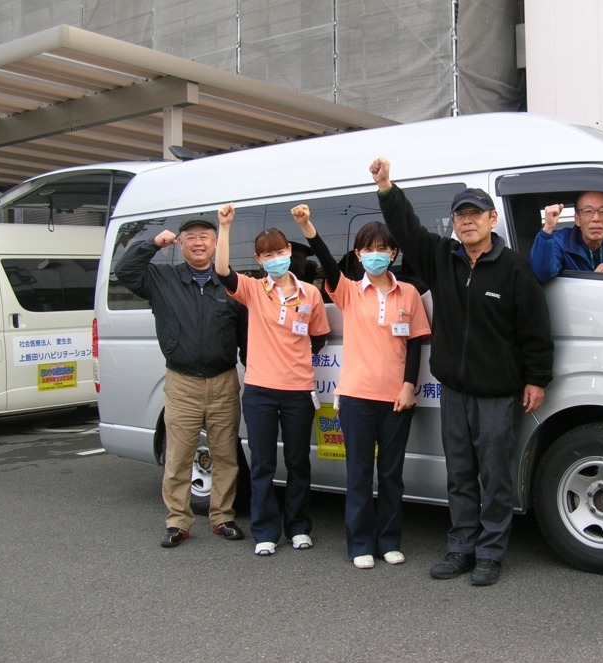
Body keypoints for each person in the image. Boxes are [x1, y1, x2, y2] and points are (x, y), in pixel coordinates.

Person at [369, 158, 554, 586]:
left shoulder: (514, 269)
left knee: (495, 474)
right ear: (453, 223)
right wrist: (385, 187)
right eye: (461, 216)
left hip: (498, 393)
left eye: (476, 215)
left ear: (492, 220)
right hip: (454, 389)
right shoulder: (441, 258)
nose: (468, 222)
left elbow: (536, 330)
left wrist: (536, 378)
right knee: (460, 472)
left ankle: (490, 553)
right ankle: (460, 547)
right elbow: (408, 228)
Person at [291, 205, 432, 569]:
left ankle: (389, 541)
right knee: (358, 476)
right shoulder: (349, 291)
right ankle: (359, 544)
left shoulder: (410, 295)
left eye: (383, 249)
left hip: (396, 399)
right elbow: (325, 259)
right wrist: (308, 226)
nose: (376, 255)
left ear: (394, 253)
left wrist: (408, 386)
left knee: (391, 476)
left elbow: (415, 343)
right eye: (368, 249)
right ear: (358, 254)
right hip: (355, 397)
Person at [115, 216, 247, 548]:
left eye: (205, 237)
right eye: (191, 237)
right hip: (182, 382)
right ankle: (177, 521)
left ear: (216, 243)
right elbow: (125, 271)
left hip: (223, 382)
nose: (199, 243)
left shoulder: (232, 286)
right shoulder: (163, 279)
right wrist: (151, 244)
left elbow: (246, 338)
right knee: (178, 456)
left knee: (225, 455)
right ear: (181, 243)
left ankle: (222, 516)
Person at [214, 203, 330, 557]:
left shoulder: (309, 293)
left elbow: (318, 336)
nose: (275, 258)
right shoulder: (251, 289)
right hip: (260, 390)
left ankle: (298, 527)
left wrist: (293, 357)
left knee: (298, 462)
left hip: (298, 390)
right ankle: (265, 531)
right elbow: (222, 271)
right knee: (262, 463)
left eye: (280, 251)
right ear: (259, 260)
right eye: (267, 255)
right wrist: (225, 227)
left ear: (289, 252)